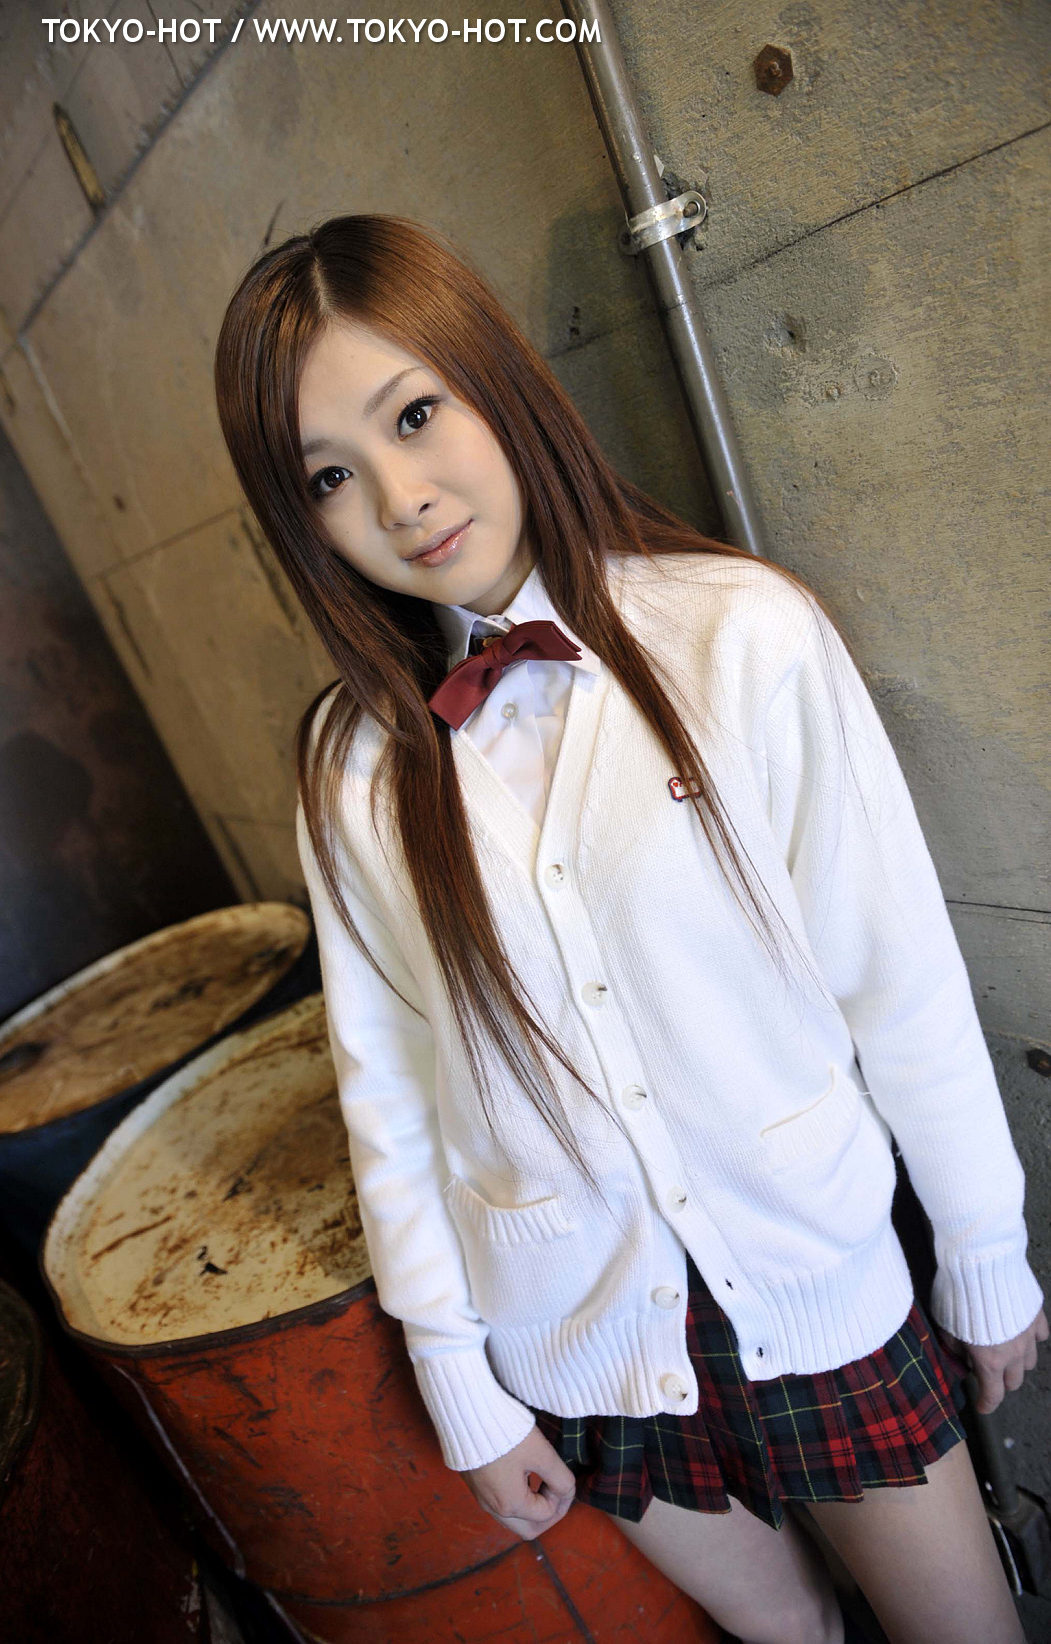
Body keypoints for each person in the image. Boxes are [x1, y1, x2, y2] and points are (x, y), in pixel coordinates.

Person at [213, 213, 1047, 1644]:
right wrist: (460, 1382)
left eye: (415, 414)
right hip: (580, 1336)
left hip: (815, 1283)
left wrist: (983, 1249)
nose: (403, 497)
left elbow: (896, 975)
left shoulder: (741, 635)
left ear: (496, 382)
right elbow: (392, 1093)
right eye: (332, 476)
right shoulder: (350, 771)